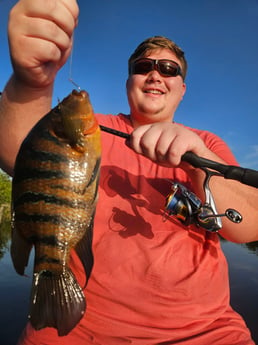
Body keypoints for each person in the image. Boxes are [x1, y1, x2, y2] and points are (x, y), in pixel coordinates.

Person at [1, 1, 258, 344]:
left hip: (206, 332)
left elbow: (248, 226)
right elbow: (21, 157)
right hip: (77, 332)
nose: (155, 74)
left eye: (168, 69)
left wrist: (197, 157)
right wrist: (31, 82)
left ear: (182, 90)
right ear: (129, 82)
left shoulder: (208, 145)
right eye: (143, 66)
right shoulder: (92, 130)